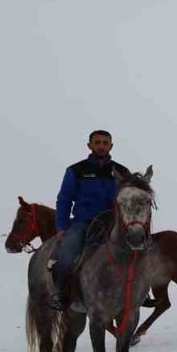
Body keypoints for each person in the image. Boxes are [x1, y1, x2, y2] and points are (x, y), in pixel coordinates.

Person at [50, 130, 129, 310]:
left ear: (111, 146)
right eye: (97, 142)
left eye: (105, 143)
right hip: (84, 222)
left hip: (113, 223)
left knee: (136, 250)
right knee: (68, 249)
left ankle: (141, 293)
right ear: (90, 145)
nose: (101, 146)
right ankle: (61, 293)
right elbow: (64, 199)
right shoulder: (76, 171)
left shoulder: (122, 172)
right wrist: (62, 227)